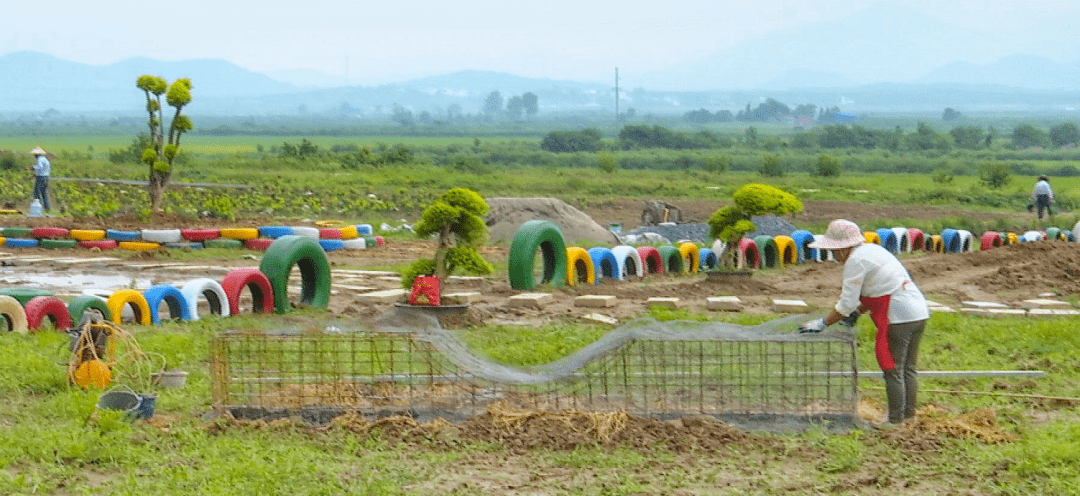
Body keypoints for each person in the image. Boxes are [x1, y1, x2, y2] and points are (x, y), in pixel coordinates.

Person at [799, 219, 929, 425]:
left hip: (897, 317)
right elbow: (879, 288)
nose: (833, 255)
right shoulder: (873, 250)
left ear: (844, 246)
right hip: (918, 312)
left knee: (892, 369)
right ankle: (908, 417)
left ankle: (895, 422)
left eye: (834, 250)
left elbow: (846, 304)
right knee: (907, 368)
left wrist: (822, 323)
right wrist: (859, 311)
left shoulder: (855, 262)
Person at [30, 146, 51, 211]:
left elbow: (39, 167)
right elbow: (42, 169)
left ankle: (38, 208)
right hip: (45, 177)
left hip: (41, 178)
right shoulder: (45, 159)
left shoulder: (40, 159)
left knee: (37, 192)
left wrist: (30, 167)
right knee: (44, 192)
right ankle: (47, 208)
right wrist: (34, 175)